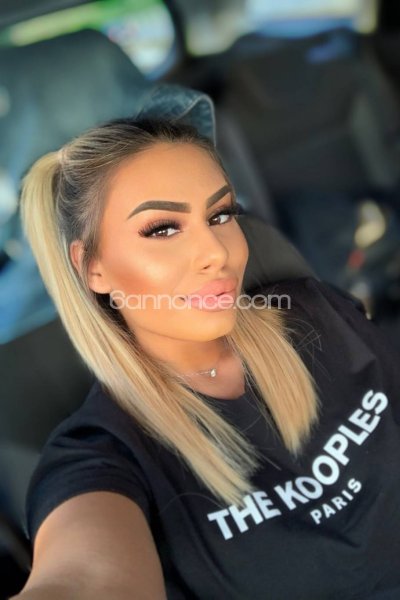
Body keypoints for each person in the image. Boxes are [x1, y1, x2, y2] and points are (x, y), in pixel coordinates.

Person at [11, 117, 400, 600]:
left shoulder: (315, 313)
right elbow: (87, 577)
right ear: (93, 268)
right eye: (162, 229)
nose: (216, 252)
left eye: (220, 215)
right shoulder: (101, 455)